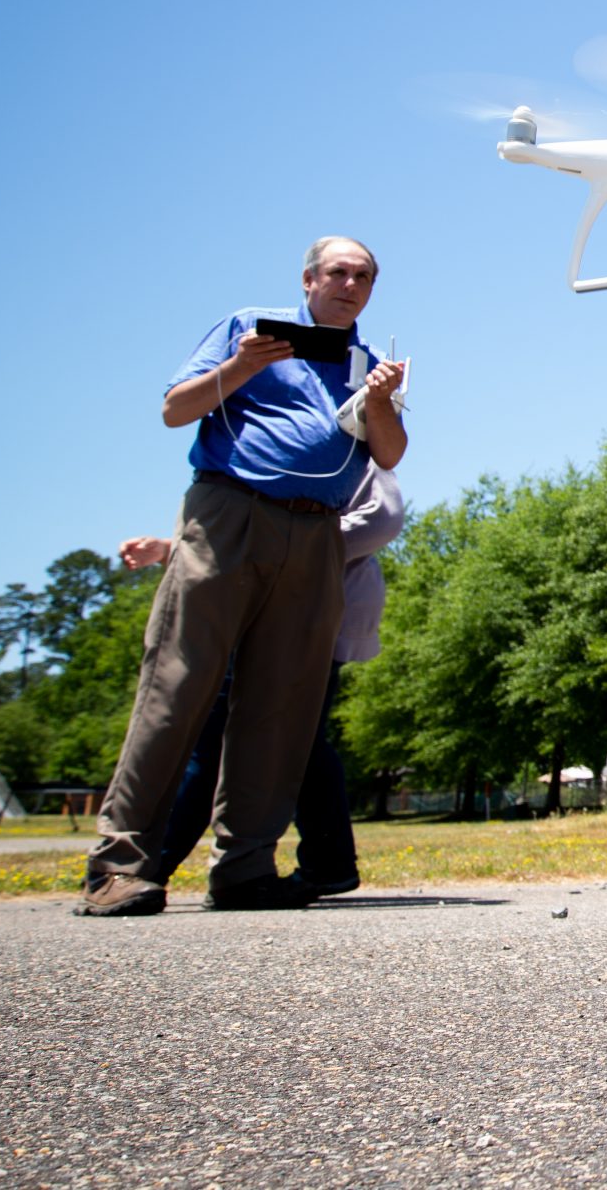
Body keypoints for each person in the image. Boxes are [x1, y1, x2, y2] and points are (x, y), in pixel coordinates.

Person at [78, 237, 407, 917]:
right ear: (308, 279)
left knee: (281, 706)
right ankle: (119, 866)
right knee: (176, 688)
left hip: (317, 533)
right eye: (338, 272)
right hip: (229, 513)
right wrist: (240, 367)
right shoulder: (247, 329)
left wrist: (380, 401)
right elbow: (175, 409)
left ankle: (245, 867)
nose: (350, 284)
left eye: (363, 276)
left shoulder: (370, 363)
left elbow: (390, 453)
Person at [133, 462, 404, 894]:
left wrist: (299, 546)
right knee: (291, 741)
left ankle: (149, 866)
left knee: (227, 737)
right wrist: (174, 549)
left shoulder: (343, 448)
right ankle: (327, 862)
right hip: (255, 600)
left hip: (305, 607)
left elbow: (381, 518)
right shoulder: (266, 455)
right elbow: (250, 530)